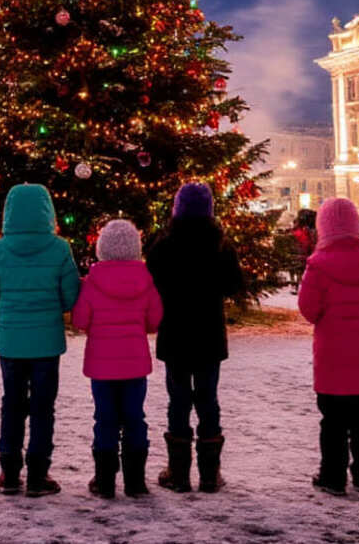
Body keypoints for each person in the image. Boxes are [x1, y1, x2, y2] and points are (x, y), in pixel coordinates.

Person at [0, 183, 80, 498]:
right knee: (43, 407)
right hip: (47, 342)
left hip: (11, 342)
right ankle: (38, 473)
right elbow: (71, 296)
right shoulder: (60, 248)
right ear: (48, 211)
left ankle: (8, 472)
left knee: (12, 404)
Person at [146, 183, 245, 494]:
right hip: (208, 335)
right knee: (208, 400)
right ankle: (210, 473)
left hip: (175, 333)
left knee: (178, 401)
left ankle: (178, 472)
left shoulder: (163, 244)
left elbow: (151, 281)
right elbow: (233, 285)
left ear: (177, 209)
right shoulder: (220, 246)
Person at [297, 197, 359, 497]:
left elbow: (308, 309)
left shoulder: (318, 264)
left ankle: (332, 477)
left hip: (331, 353)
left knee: (333, 419)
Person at [71, 219, 163, 499]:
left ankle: (105, 480)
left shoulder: (92, 282)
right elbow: (155, 320)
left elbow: (80, 320)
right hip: (135, 365)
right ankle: (135, 481)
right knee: (135, 418)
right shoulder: (146, 280)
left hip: (101, 366)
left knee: (105, 419)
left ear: (102, 248)